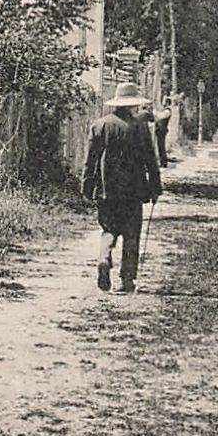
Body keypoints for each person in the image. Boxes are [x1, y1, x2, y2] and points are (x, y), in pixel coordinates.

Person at [84, 81, 162, 294]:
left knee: (108, 230)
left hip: (107, 191)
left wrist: (87, 187)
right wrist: (155, 187)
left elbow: (90, 160)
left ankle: (104, 259)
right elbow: (150, 160)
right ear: (133, 105)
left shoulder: (100, 125)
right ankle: (127, 280)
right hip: (134, 192)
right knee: (131, 235)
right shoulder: (140, 128)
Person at [153, 97, 173, 168]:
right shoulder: (165, 110)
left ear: (167, 103)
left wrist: (154, 111)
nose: (163, 103)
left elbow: (160, 116)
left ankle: (163, 162)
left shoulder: (167, 111)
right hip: (160, 130)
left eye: (164, 102)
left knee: (161, 147)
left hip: (162, 130)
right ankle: (162, 162)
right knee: (160, 146)